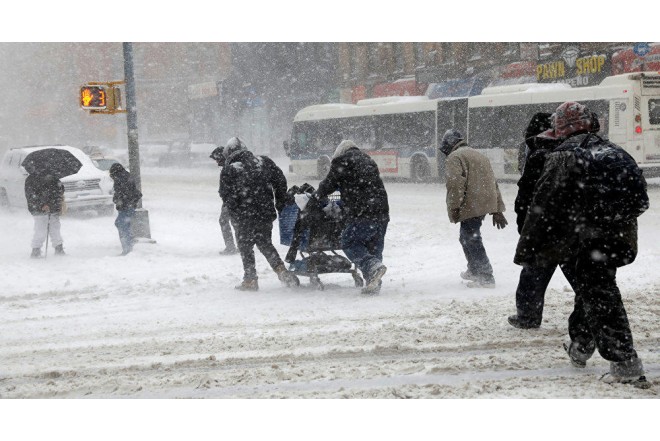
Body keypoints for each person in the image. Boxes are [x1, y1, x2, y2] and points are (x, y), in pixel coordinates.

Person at [514, 101, 649, 388]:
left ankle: (625, 364)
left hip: (584, 240)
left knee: (601, 296)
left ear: (560, 129)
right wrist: (610, 220)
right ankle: (582, 343)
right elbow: (640, 201)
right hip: (618, 241)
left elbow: (543, 204)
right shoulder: (614, 151)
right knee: (591, 288)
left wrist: (530, 248)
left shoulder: (564, 155)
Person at [508, 112, 580, 329]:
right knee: (580, 275)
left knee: (533, 274)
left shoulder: (537, 153)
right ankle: (593, 308)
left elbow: (526, 192)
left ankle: (528, 317)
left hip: (542, 225)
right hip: (570, 224)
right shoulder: (572, 151)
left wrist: (524, 223)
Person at [220, 136, 299, 291]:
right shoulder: (263, 162)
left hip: (244, 216)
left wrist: (235, 210)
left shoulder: (229, 170)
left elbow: (225, 195)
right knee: (264, 243)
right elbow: (280, 180)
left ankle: (250, 279)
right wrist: (279, 201)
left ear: (230, 153)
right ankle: (281, 270)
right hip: (265, 212)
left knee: (245, 246)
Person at [313, 139, 389, 294]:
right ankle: (373, 283)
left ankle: (372, 268)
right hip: (381, 212)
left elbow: (328, 185)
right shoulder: (368, 160)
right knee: (374, 247)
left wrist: (316, 196)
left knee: (349, 242)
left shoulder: (342, 161)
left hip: (362, 211)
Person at [439, 129, 507, 288]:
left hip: (470, 204)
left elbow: (455, 185)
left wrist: (454, 207)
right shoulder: (479, 155)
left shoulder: (455, 157)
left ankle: (485, 275)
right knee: (466, 237)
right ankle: (475, 270)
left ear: (449, 145)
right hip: (482, 204)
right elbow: (492, 183)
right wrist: (497, 209)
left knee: (470, 238)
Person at [25, 173, 65, 258]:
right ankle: (36, 250)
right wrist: (42, 204)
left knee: (55, 229)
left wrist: (59, 187)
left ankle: (59, 248)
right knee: (40, 230)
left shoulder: (54, 177)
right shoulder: (32, 179)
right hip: (39, 210)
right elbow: (31, 195)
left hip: (53, 208)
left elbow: (60, 190)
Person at [109, 163, 142, 256]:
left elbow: (122, 193)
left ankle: (127, 248)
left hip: (125, 206)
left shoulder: (120, 179)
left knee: (121, 225)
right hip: (130, 205)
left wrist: (116, 200)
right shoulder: (126, 176)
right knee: (124, 224)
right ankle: (130, 241)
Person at [210, 146, 238, 255]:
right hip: (232, 200)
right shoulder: (231, 166)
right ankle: (242, 245)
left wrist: (226, 197)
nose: (217, 163)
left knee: (225, 221)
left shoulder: (229, 168)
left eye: (217, 159)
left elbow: (228, 187)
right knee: (236, 222)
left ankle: (231, 246)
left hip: (231, 201)